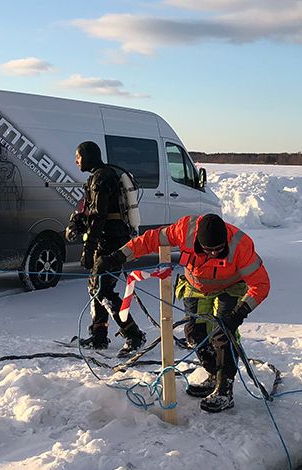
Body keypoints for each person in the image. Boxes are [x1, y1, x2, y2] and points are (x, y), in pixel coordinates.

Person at [97, 214, 270, 413]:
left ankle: (224, 390)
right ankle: (214, 374)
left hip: (230, 287)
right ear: (198, 241)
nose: (213, 254)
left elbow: (261, 285)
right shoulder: (185, 230)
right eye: (208, 250)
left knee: (223, 334)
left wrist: (239, 313)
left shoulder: (241, 245)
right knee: (193, 333)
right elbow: (150, 240)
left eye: (218, 250)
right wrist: (117, 257)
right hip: (195, 283)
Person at [72, 141, 146, 357]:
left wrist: (89, 247)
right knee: (97, 287)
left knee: (103, 290)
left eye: (78, 156)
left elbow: (99, 216)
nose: (76, 161)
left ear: (88, 156)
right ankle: (99, 335)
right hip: (109, 239)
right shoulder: (100, 176)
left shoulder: (102, 178)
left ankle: (133, 334)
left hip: (111, 242)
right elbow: (93, 213)